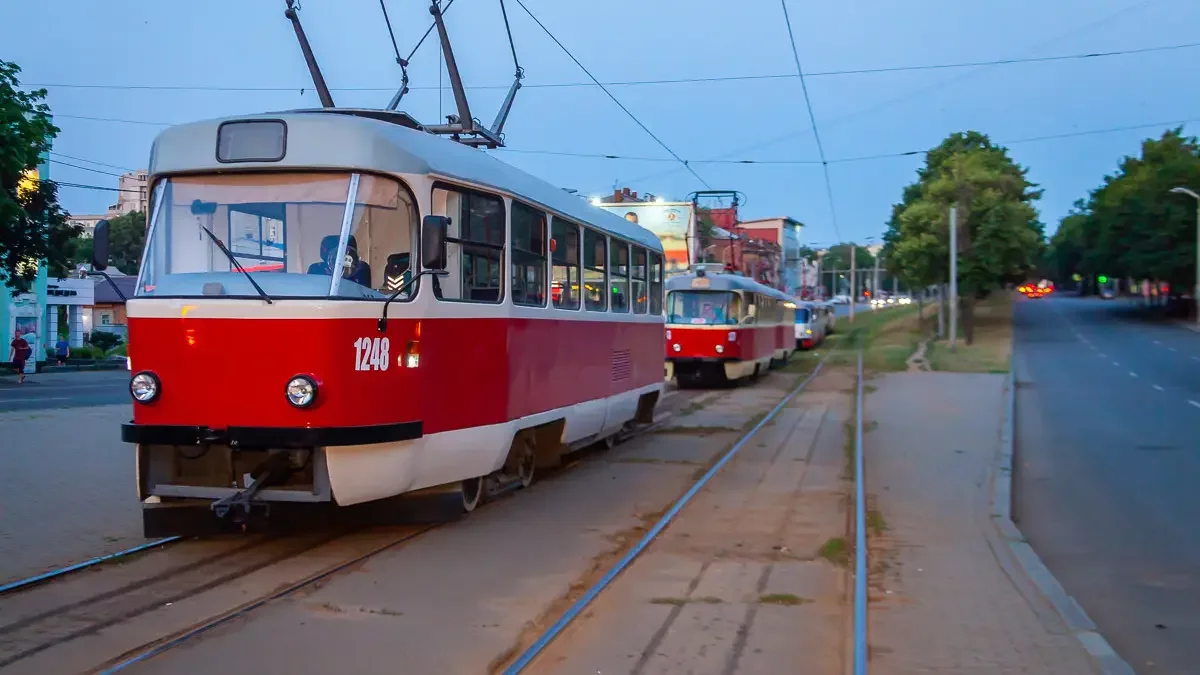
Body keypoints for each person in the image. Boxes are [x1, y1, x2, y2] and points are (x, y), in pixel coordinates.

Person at [307, 235, 372, 287]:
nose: (343, 260)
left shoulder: (361, 270)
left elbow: (367, 295)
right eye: (337, 257)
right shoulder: (317, 271)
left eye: (349, 254)